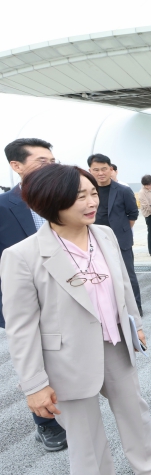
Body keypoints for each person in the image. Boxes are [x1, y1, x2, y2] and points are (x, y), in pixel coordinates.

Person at [0, 164, 151, 475]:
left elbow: (122, 285)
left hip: (116, 346)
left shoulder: (104, 234)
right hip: (66, 359)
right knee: (86, 441)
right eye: (80, 197)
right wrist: (34, 385)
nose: (92, 202)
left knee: (138, 421)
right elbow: (21, 328)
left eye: (93, 193)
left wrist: (136, 325)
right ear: (51, 201)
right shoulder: (22, 255)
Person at [0, 138, 67, 452]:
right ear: (16, 166)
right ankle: (46, 424)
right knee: (35, 360)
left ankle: (70, 409)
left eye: (52, 161)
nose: (50, 166)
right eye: (42, 161)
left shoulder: (62, 199)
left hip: (67, 296)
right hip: (26, 301)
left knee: (64, 357)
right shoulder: (4, 207)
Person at [87, 154, 142, 315]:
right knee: (99, 275)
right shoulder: (88, 191)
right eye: (96, 170)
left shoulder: (123, 190)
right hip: (94, 239)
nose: (100, 173)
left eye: (104, 169)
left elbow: (133, 214)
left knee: (128, 275)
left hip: (120, 240)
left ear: (111, 169)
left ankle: (135, 309)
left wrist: (122, 230)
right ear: (90, 171)